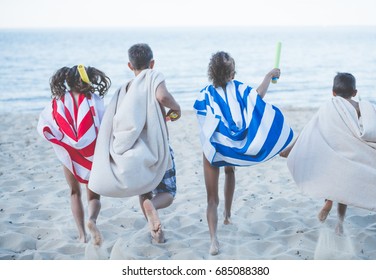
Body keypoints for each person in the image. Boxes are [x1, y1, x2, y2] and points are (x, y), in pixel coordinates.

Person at [193, 51, 294, 255]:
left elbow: (202, 117)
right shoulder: (238, 88)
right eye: (233, 70)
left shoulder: (204, 93)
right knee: (230, 172)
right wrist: (268, 76)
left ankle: (214, 241)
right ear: (231, 74)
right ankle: (228, 215)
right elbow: (257, 98)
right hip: (232, 149)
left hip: (214, 148)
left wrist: (219, 134)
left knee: (211, 199)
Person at [89, 43, 181, 244]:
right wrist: (177, 108)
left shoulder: (125, 89)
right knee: (168, 193)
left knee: (145, 189)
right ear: (152, 63)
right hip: (156, 147)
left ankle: (155, 232)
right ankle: (153, 209)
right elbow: (163, 96)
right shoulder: (153, 76)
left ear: (130, 66)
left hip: (134, 151)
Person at [282, 72, 376, 234]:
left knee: (333, 179)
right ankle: (339, 224)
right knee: (343, 188)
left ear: (333, 92)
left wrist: (291, 148)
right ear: (355, 92)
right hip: (349, 153)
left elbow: (311, 128)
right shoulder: (359, 106)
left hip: (332, 152)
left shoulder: (328, 106)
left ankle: (328, 202)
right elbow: (375, 121)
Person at [37, 65, 111, 245]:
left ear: (67, 81)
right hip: (92, 153)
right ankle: (92, 221)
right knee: (93, 196)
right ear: (88, 79)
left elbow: (48, 122)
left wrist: (64, 141)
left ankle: (81, 235)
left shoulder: (59, 101)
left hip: (69, 154)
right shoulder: (93, 100)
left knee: (74, 192)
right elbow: (104, 124)